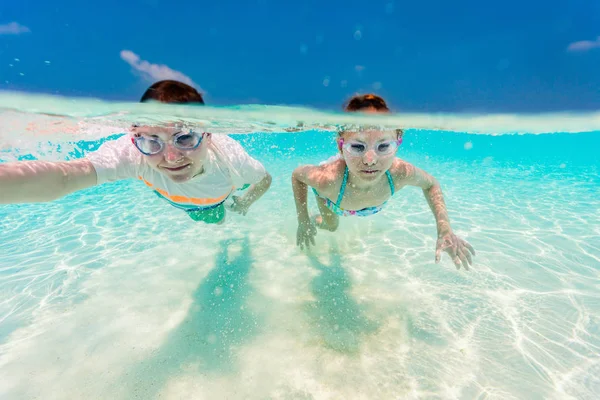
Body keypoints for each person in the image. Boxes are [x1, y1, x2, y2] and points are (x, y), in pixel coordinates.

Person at [0, 80, 272, 224]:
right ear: (135, 136)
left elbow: (265, 180)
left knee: (215, 217)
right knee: (205, 219)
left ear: (208, 134)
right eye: (153, 141)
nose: (171, 158)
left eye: (185, 138)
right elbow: (67, 177)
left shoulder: (231, 161)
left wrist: (246, 202)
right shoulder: (132, 152)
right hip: (185, 204)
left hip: (214, 200)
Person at [291, 94, 475, 270]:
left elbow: (431, 184)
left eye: (384, 146)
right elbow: (298, 176)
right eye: (357, 147)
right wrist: (303, 221)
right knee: (331, 227)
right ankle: (317, 220)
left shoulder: (400, 173)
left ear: (397, 144)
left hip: (363, 201)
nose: (370, 160)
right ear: (341, 146)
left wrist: (444, 230)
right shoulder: (328, 180)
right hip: (334, 202)